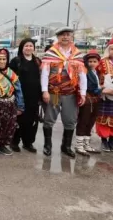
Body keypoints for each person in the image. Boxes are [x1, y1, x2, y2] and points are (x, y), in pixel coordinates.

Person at [40, 26, 87, 158]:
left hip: (70, 94)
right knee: (49, 119)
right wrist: (44, 91)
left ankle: (66, 146)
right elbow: (45, 73)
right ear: (58, 37)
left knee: (70, 120)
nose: (65, 37)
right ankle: (47, 145)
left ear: (71, 37)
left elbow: (82, 75)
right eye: (62, 35)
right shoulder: (51, 53)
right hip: (54, 93)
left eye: (68, 34)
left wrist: (83, 92)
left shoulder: (77, 54)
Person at [8, 37, 42, 153]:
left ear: (34, 48)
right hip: (19, 96)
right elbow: (9, 79)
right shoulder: (16, 61)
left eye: (30, 46)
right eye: (26, 46)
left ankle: (28, 143)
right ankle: (14, 141)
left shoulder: (37, 61)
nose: (28, 48)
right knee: (18, 119)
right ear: (22, 48)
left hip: (34, 96)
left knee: (31, 121)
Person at [75, 50, 102, 156]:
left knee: (91, 121)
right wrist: (102, 89)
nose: (92, 63)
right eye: (90, 61)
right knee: (83, 120)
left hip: (95, 100)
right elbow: (90, 87)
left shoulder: (97, 72)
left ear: (98, 62)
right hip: (87, 99)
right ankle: (79, 145)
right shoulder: (85, 71)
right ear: (86, 62)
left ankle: (86, 144)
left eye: (94, 61)